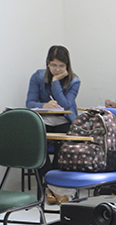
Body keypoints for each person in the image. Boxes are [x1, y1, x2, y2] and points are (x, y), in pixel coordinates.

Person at [26, 45, 80, 202]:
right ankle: (53, 186)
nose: (57, 69)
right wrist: (44, 105)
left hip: (64, 120)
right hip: (43, 120)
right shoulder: (37, 77)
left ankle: (53, 187)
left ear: (67, 66)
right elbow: (29, 102)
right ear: (47, 63)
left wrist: (56, 82)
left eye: (61, 66)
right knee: (37, 145)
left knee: (62, 145)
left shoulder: (74, 81)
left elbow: (66, 104)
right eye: (54, 65)